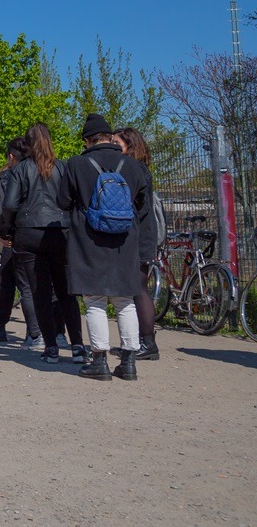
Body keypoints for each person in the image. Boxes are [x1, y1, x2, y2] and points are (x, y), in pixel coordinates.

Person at [58, 113, 151, 381]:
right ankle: (130, 361)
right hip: (125, 239)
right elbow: (142, 204)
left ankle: (99, 360)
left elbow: (62, 200)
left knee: (94, 300)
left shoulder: (76, 164)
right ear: (110, 137)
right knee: (125, 300)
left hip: (89, 238)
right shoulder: (133, 166)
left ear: (87, 140)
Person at [3, 123, 83, 363]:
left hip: (28, 232)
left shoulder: (21, 169)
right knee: (66, 291)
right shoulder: (62, 167)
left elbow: (9, 204)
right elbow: (71, 199)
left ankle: (50, 347)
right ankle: (77, 345)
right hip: (59, 230)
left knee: (40, 291)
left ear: (27, 144)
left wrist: (8, 228)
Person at [111, 127, 161, 362]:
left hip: (140, 235)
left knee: (138, 289)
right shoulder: (139, 168)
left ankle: (147, 342)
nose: (111, 145)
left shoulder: (133, 169)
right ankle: (139, 341)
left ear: (128, 145)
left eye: (116, 142)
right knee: (136, 289)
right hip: (142, 233)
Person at [0, 138, 43, 349]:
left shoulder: (7, 177)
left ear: (11, 157)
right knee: (14, 279)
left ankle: (34, 332)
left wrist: (4, 232)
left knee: (20, 283)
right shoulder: (44, 171)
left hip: (17, 235)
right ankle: (1, 325)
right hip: (41, 232)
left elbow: (5, 207)